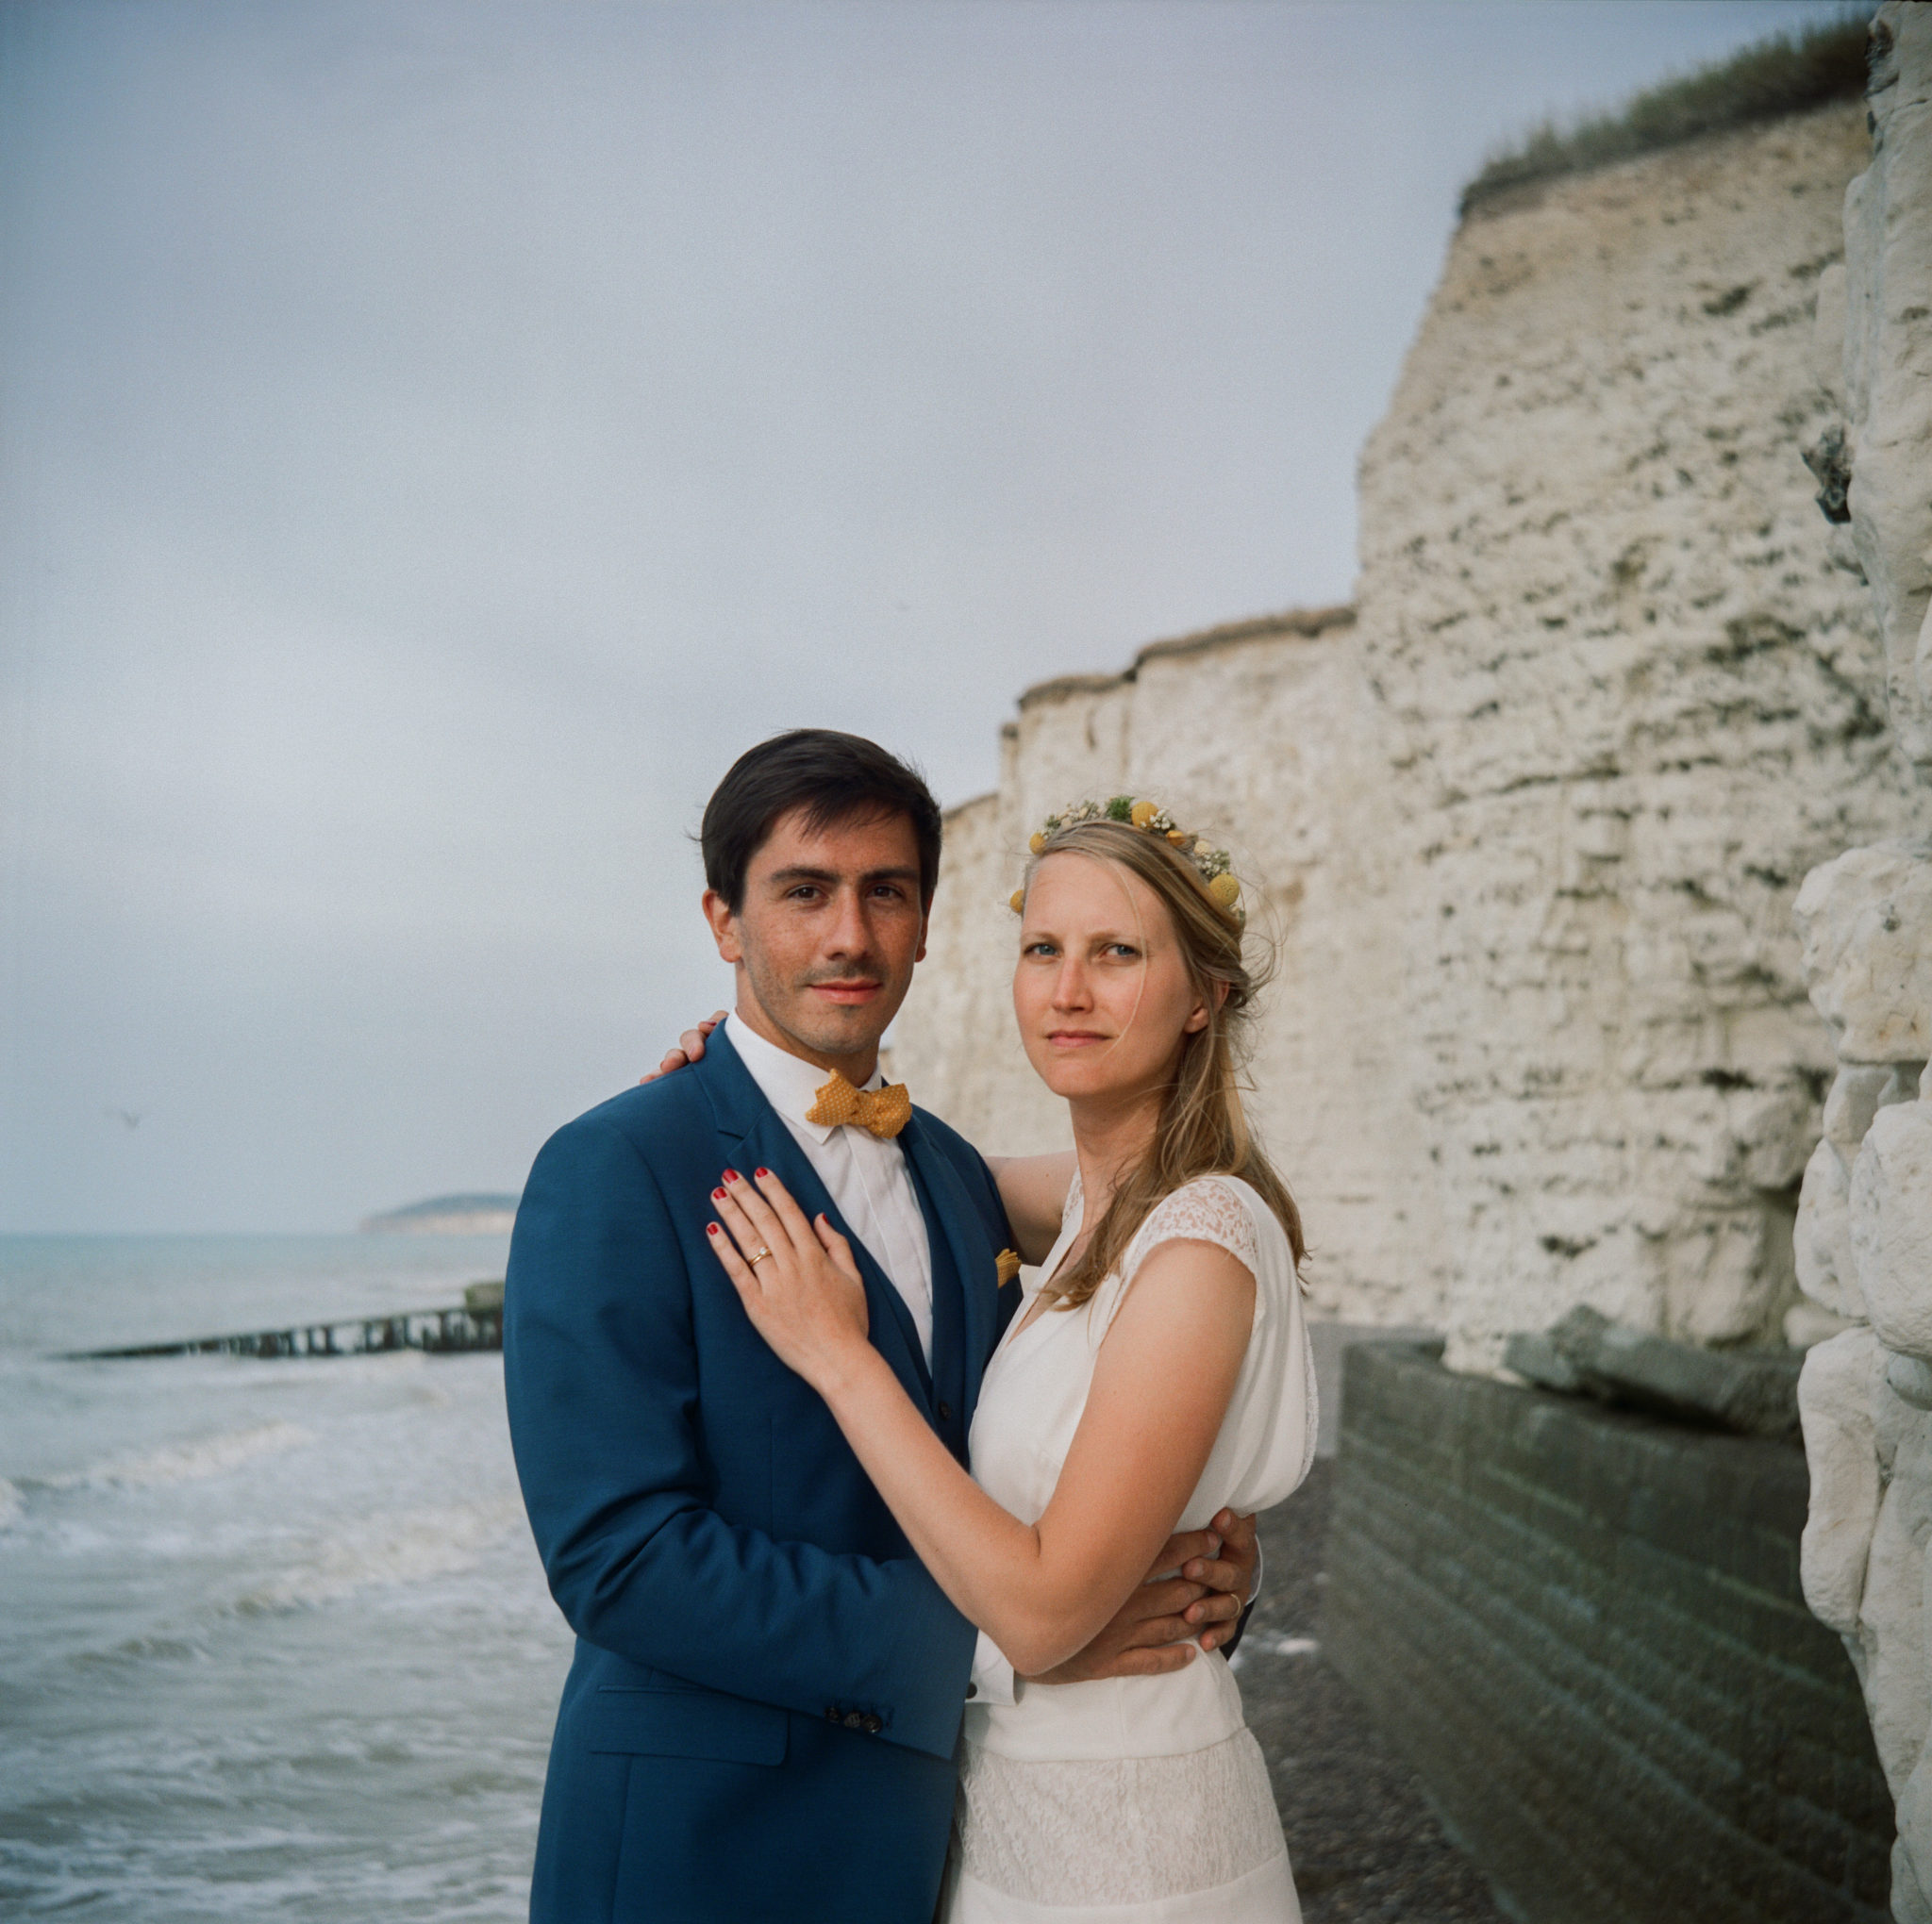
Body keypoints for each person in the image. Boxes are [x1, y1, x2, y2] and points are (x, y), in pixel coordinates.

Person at [502, 732, 1261, 1924]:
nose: (849, 936)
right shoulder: (614, 1165)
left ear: (922, 924)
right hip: (702, 1859)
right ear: (723, 921)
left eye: (885, 893)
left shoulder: (952, 1172)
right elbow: (619, 1557)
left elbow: (1058, 1423)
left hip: (934, 1856)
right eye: (803, 892)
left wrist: (1204, 1567)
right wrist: (995, 1644)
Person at [702, 796, 1315, 1921]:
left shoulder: (1200, 1237)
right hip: (1009, 1821)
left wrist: (841, 1359)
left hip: (1134, 1848)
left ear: (1203, 998)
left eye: (1116, 954)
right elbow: (897, 1177)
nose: (1066, 992)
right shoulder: (1084, 1205)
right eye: (1042, 950)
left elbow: (1038, 1617)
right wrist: (733, 1083)